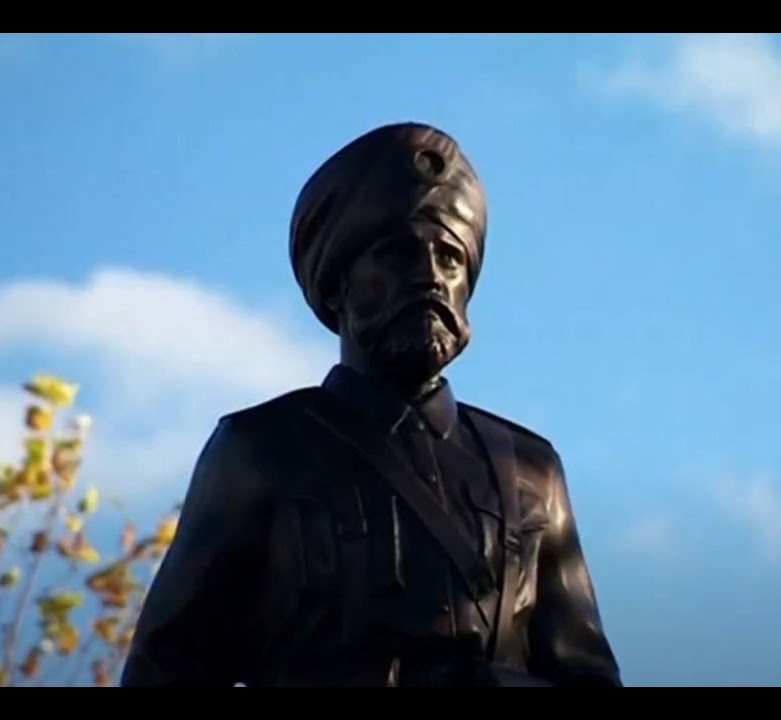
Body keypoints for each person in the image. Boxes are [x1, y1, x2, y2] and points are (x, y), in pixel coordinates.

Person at [120, 122, 622, 687]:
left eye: (450, 258)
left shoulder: (532, 470)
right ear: (337, 283)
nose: (431, 277)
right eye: (398, 255)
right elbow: (165, 671)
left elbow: (588, 677)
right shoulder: (261, 449)